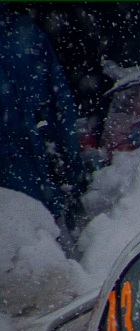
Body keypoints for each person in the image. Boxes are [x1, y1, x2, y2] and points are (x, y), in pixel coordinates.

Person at [0, 5, 87, 233]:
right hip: (39, 185)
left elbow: (60, 106)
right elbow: (61, 106)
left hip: (27, 190)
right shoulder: (22, 32)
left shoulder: (22, 32)